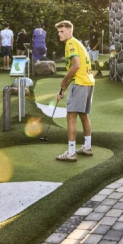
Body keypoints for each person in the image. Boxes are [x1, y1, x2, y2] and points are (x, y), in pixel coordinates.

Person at [55, 20, 95, 162]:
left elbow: (76, 65)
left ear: (70, 31)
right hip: (88, 82)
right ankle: (87, 147)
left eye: (62, 31)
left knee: (71, 116)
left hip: (80, 83)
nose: (60, 34)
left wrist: (64, 79)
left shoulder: (70, 43)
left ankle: (71, 153)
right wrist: (64, 88)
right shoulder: (78, 43)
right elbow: (78, 68)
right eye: (58, 32)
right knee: (84, 115)